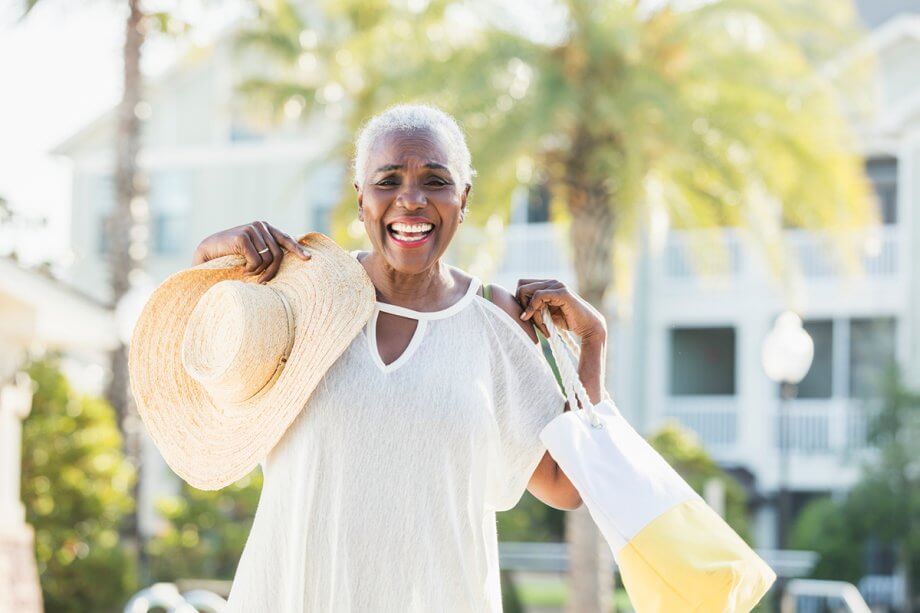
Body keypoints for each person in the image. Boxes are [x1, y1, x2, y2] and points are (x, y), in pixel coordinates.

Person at [191, 104, 608, 612]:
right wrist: (210, 254)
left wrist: (594, 340)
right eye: (387, 181)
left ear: (463, 199)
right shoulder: (303, 295)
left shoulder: (496, 319)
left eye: (435, 180)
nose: (410, 201)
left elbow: (567, 485)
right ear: (360, 199)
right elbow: (207, 364)